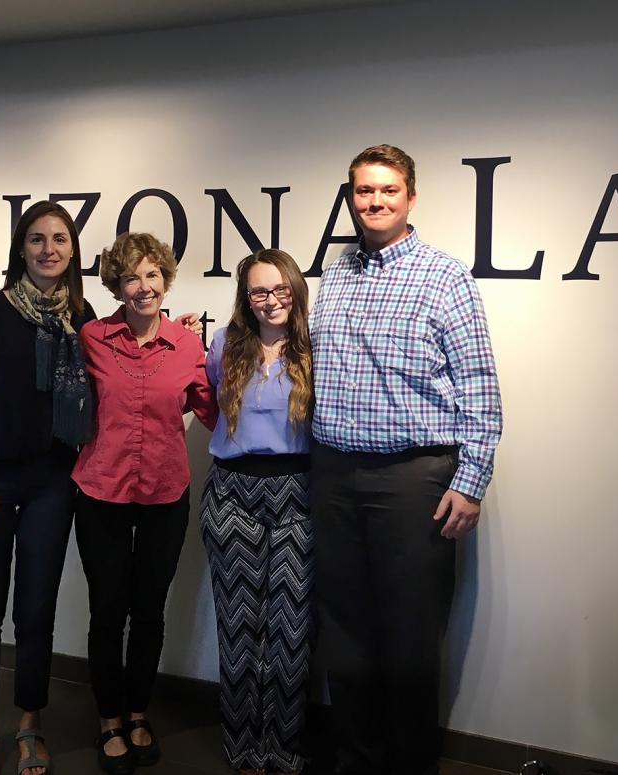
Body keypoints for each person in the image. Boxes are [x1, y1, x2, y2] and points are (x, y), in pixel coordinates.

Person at [309, 144, 504, 775]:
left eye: (388, 191)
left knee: (411, 636)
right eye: (364, 191)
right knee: (344, 629)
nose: (375, 202)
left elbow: (480, 386)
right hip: (335, 472)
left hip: (414, 479)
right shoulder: (334, 275)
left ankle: (409, 765)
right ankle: (354, 760)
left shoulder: (444, 277)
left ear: (410, 198)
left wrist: (469, 482)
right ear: (351, 197)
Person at [0, 200, 94, 775]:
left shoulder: (83, 319)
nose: (49, 249)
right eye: (37, 239)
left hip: (53, 484)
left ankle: (29, 721)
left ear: (72, 250)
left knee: (36, 610)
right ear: (20, 248)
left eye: (60, 239)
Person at [71, 232, 217, 775]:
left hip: (163, 493)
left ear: (166, 280)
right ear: (117, 284)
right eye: (132, 276)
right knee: (108, 609)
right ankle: (109, 718)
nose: (143, 286)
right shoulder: (92, 338)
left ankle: (137, 713)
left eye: (153, 275)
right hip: (101, 491)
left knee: (149, 610)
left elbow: (212, 410)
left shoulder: (187, 345)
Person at [200, 249, 314, 775]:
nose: (270, 302)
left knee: (291, 631)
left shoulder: (316, 348)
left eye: (280, 290)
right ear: (245, 298)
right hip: (232, 496)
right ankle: (242, 749)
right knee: (238, 627)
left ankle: (284, 749)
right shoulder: (225, 344)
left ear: (295, 289)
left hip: (298, 495)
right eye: (258, 292)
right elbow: (211, 410)